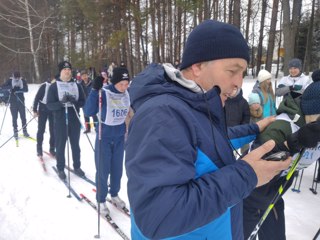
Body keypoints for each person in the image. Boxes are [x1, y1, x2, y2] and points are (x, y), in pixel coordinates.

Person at [125, 20, 291, 240]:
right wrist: (247, 175)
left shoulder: (192, 105)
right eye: (233, 71)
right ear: (197, 66)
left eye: (242, 74)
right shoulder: (162, 114)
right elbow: (159, 215)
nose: (238, 83)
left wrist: (256, 128)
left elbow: (207, 144)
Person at [243, 68, 320, 240]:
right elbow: (251, 168)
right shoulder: (283, 127)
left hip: (275, 196)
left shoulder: (311, 124)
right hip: (251, 200)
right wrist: (294, 142)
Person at [84, 67, 131, 214]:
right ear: (114, 82)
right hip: (103, 137)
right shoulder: (104, 93)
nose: (124, 87)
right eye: (121, 84)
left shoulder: (127, 94)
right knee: (103, 170)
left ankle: (115, 194)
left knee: (117, 170)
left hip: (119, 137)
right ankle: (101, 199)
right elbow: (88, 111)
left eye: (126, 83)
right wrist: (93, 90)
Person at [46, 61, 86, 180]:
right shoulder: (54, 86)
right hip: (60, 120)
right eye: (65, 70)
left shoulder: (77, 85)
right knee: (61, 144)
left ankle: (77, 166)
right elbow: (49, 105)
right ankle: (60, 168)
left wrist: (75, 102)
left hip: (74, 118)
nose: (67, 71)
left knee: (75, 145)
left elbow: (83, 102)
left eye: (69, 69)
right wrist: (61, 103)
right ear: (60, 72)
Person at [1, 71, 29, 138]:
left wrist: (18, 90)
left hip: (21, 101)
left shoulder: (22, 80)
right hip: (13, 102)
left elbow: (26, 89)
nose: (17, 79)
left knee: (23, 117)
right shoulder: (10, 81)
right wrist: (11, 88)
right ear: (13, 76)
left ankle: (25, 130)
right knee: (14, 117)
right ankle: (15, 131)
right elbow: (2, 87)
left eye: (18, 78)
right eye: (16, 78)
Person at [32, 77, 55, 157]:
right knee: (41, 129)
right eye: (53, 79)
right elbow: (37, 98)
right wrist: (35, 110)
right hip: (43, 108)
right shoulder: (44, 86)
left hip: (52, 109)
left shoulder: (56, 86)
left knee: (53, 130)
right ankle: (39, 149)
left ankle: (52, 149)